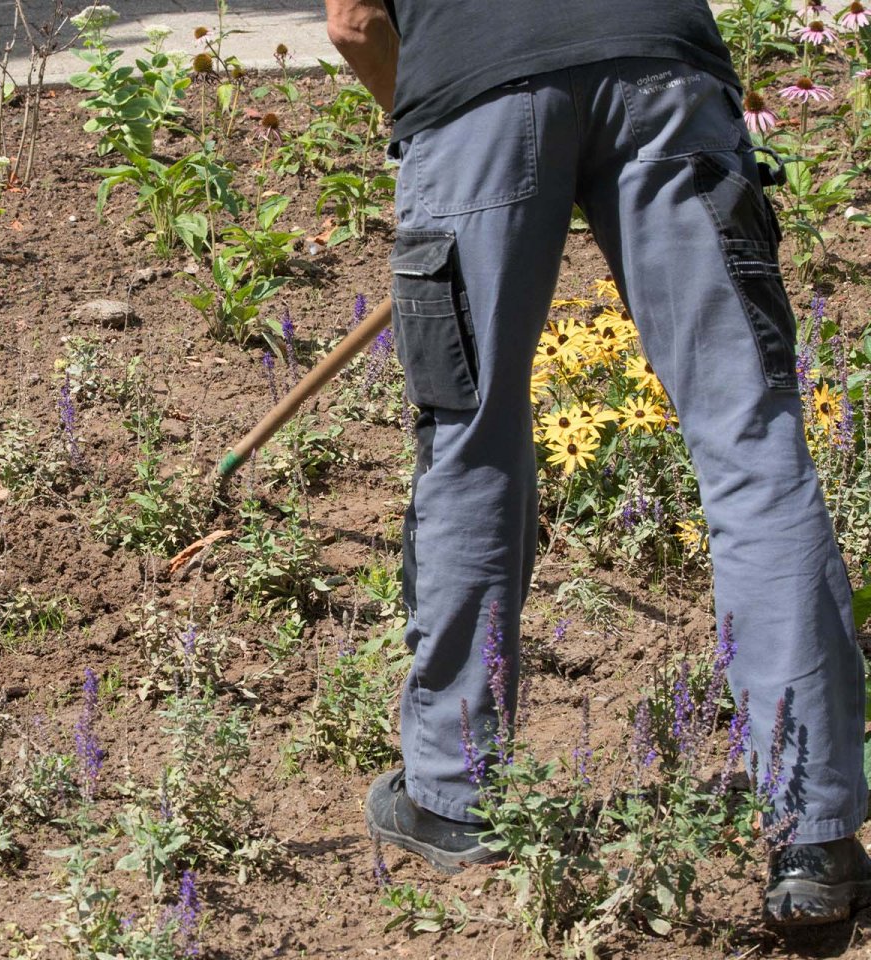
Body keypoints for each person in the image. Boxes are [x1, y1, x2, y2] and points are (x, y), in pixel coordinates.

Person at [323, 0, 870, 926]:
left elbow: (352, 20)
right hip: (659, 70)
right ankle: (814, 834)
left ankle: (454, 794)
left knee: (471, 433)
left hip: (473, 91)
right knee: (752, 438)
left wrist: (432, 110)